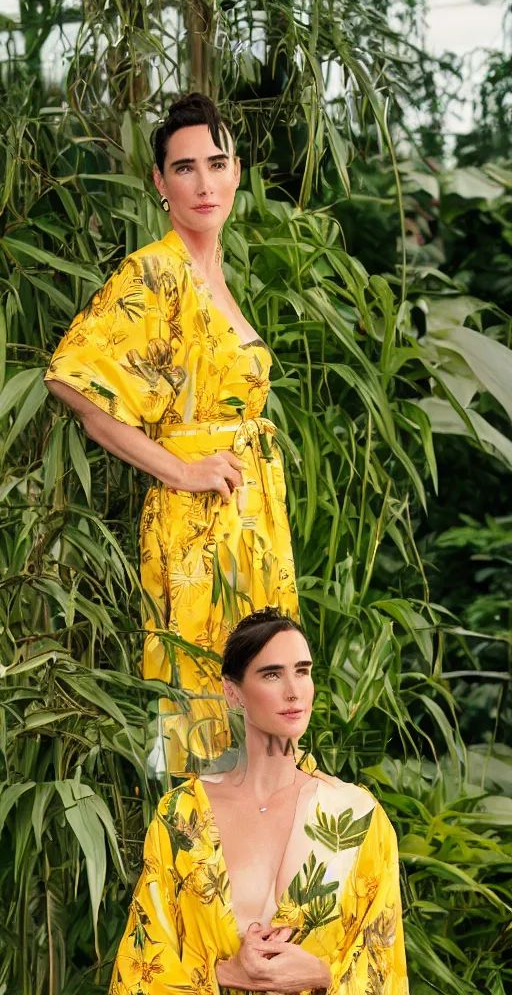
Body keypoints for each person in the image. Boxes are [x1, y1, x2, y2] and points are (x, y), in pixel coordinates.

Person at [44, 94, 298, 773]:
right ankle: (195, 869)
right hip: (197, 534)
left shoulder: (215, 275)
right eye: (185, 168)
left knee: (259, 725)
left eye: (216, 163)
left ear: (237, 170)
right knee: (208, 729)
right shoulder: (155, 271)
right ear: (160, 184)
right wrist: (181, 471)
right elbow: (72, 380)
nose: (204, 182)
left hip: (252, 531)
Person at [110, 608, 408, 994]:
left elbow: (386, 965)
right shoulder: (182, 816)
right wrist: (226, 974)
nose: (293, 689)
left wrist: (323, 976)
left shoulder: (358, 817)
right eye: (272, 674)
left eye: (303, 671)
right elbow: (139, 968)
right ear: (233, 692)